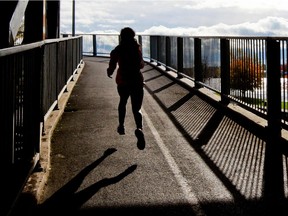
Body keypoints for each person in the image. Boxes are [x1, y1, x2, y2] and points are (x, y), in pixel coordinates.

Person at [107, 27, 145, 150]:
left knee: (123, 101)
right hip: (137, 80)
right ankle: (139, 128)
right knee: (137, 108)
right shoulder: (136, 48)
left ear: (121, 37)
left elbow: (113, 62)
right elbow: (141, 64)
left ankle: (121, 125)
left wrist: (110, 71)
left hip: (123, 80)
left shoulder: (118, 49)